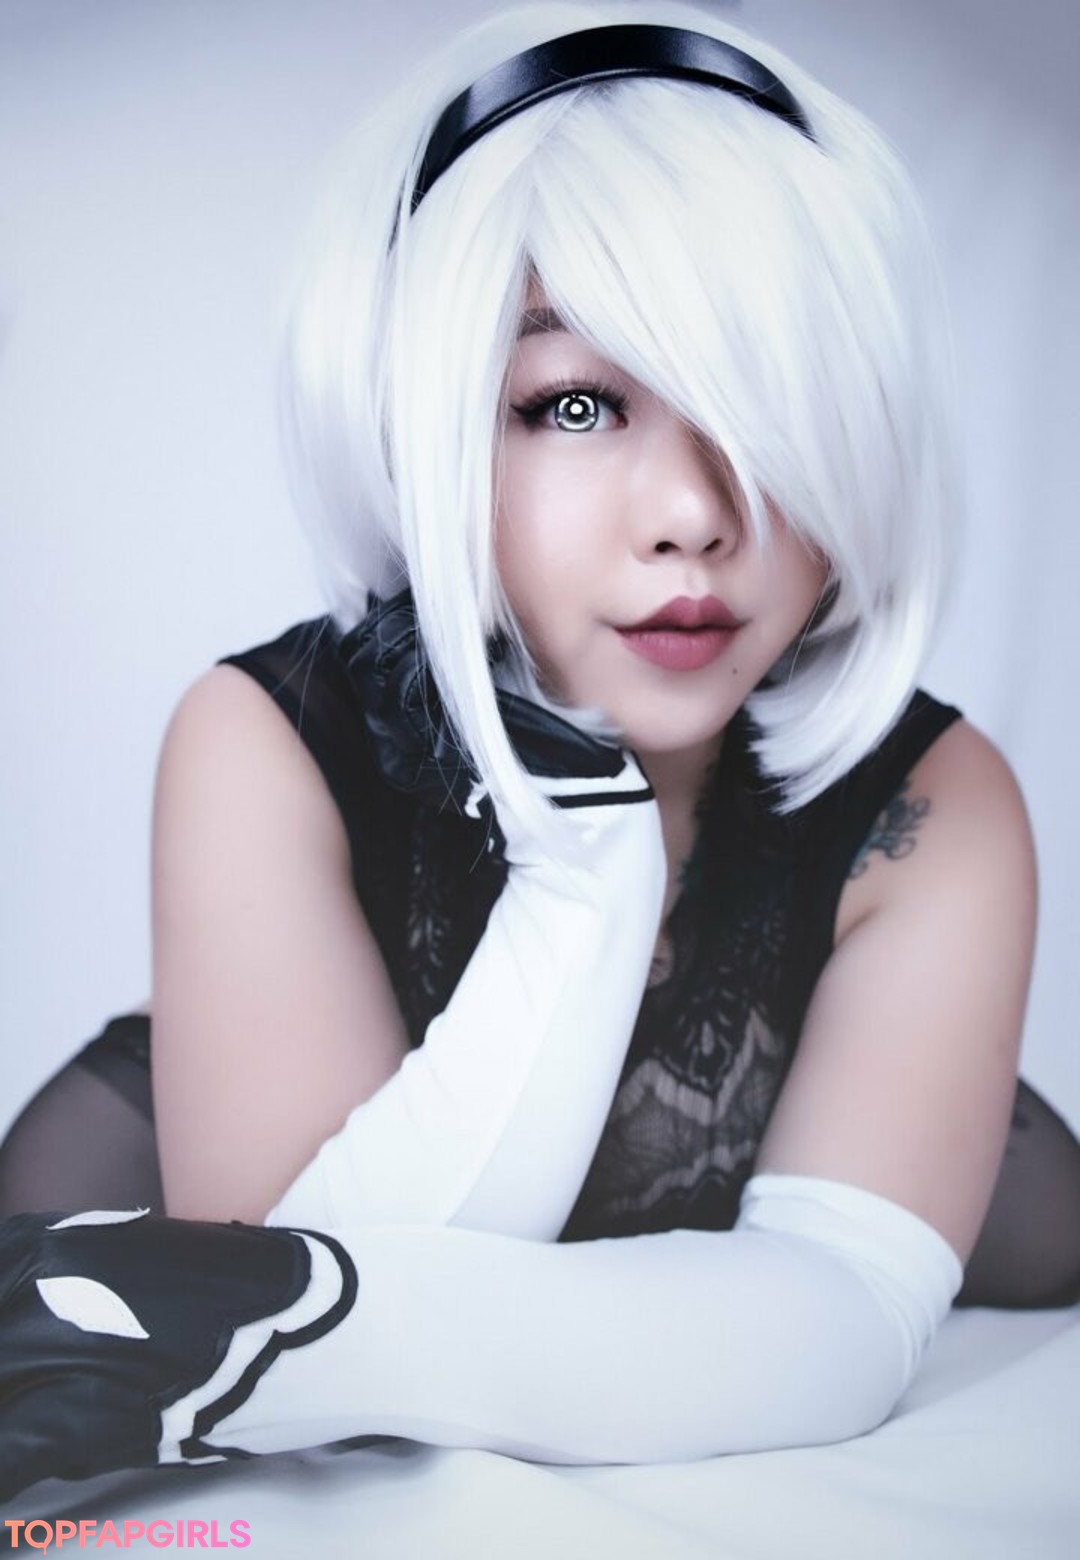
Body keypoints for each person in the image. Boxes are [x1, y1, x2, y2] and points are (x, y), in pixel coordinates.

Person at [2, 0, 1078, 1501]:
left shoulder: (933, 805)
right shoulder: (262, 744)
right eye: (577, 403)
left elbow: (836, 1320)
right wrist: (587, 870)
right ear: (429, 425)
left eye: (763, 405)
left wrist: (257, 1335)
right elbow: (323, 1283)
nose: (692, 514)